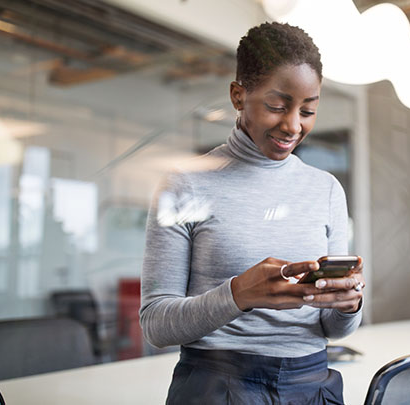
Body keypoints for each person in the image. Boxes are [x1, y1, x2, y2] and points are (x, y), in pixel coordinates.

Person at [140, 21, 365, 404]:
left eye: (308, 110)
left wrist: (348, 305)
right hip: (219, 383)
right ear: (238, 96)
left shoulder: (326, 189)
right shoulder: (185, 184)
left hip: (311, 384)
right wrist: (238, 294)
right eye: (277, 106)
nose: (293, 125)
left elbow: (334, 328)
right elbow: (156, 324)